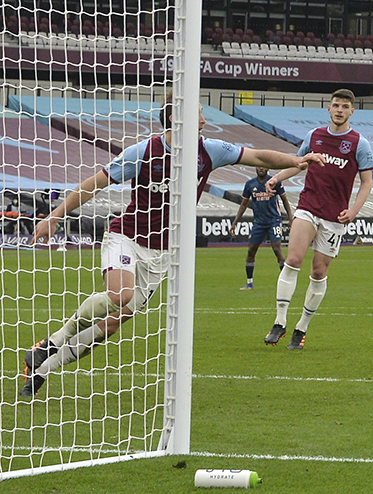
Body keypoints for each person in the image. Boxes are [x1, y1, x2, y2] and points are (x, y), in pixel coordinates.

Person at [21, 101, 323, 398]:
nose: (204, 119)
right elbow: (94, 184)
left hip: (162, 254)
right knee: (120, 295)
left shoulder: (209, 151)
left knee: (111, 326)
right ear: (174, 118)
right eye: (198, 113)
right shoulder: (142, 152)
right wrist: (54, 216)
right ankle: (53, 341)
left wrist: (295, 161)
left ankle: (41, 368)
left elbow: (256, 155)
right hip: (126, 237)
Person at [263, 89, 373, 350]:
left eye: (344, 106)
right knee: (293, 259)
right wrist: (276, 177)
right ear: (328, 108)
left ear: (351, 111)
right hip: (308, 207)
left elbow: (366, 182)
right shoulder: (314, 136)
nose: (339, 110)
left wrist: (354, 210)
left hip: (335, 217)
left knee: (318, 271)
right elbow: (299, 163)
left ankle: (301, 327)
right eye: (335, 105)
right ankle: (279, 322)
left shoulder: (360, 143)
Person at [231, 166, 292, 290]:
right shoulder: (250, 184)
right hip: (259, 223)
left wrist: (291, 218)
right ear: (255, 168)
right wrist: (235, 222)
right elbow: (243, 205)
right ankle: (249, 283)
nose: (261, 169)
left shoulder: (275, 182)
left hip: (274, 220)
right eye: (259, 167)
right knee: (251, 250)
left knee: (276, 249)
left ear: (268, 168)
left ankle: (286, 283)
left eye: (264, 167)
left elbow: (285, 200)